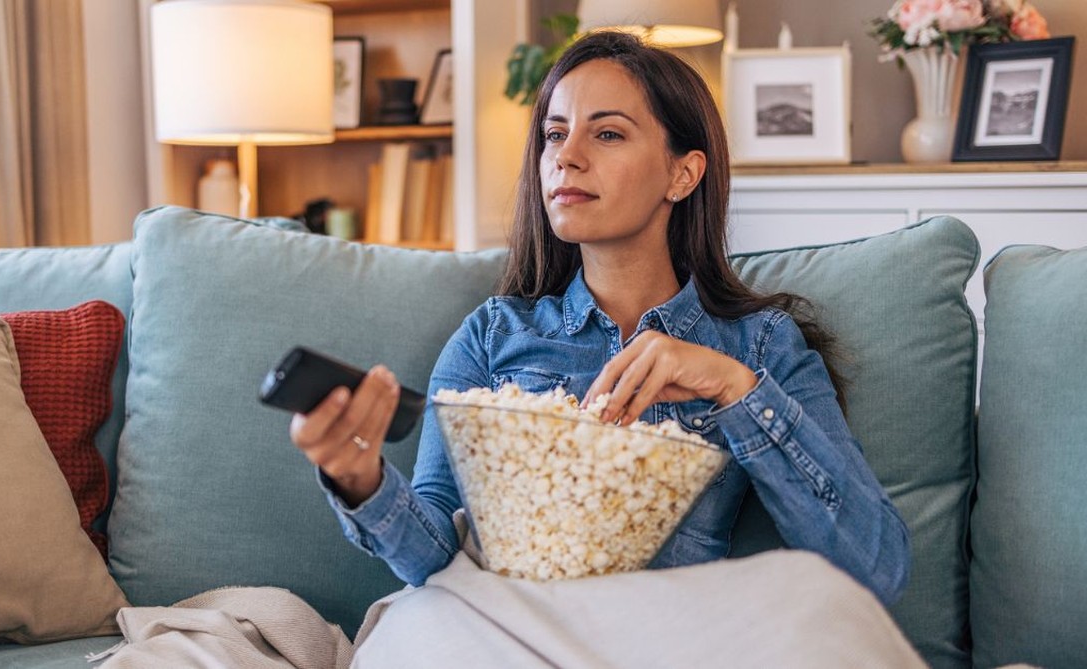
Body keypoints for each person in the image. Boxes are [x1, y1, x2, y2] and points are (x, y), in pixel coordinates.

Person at [289, 30, 910, 615]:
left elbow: (873, 569)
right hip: (501, 633)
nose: (568, 157)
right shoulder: (494, 335)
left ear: (683, 173)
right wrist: (359, 478)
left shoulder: (758, 345)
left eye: (607, 134)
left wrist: (733, 389)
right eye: (555, 135)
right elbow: (432, 562)